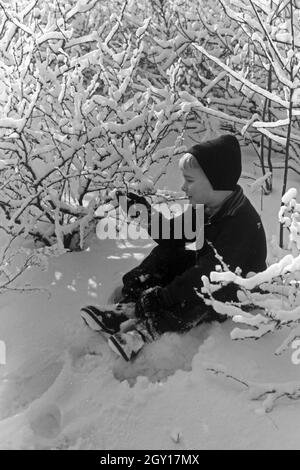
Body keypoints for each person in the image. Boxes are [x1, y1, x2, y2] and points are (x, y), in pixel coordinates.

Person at [81, 135, 267, 361]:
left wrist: (164, 297)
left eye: (189, 180)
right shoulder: (204, 208)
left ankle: (147, 330)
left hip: (233, 291)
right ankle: (127, 306)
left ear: (216, 181)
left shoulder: (241, 225)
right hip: (207, 271)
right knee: (168, 254)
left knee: (199, 297)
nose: (183, 187)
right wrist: (143, 214)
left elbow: (205, 276)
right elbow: (173, 236)